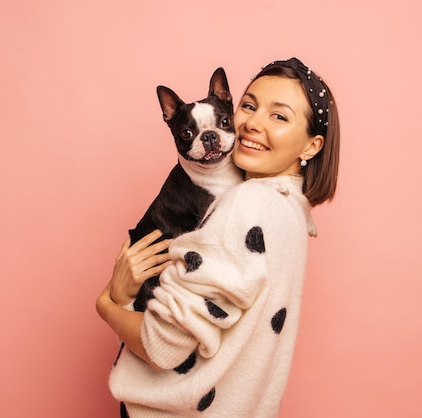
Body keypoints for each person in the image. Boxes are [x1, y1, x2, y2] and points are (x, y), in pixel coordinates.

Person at [96, 57, 340, 417]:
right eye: (249, 106)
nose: (254, 123)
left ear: (311, 145)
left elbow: (162, 347)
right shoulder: (289, 207)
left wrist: (109, 303)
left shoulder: (245, 205)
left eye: (279, 116)